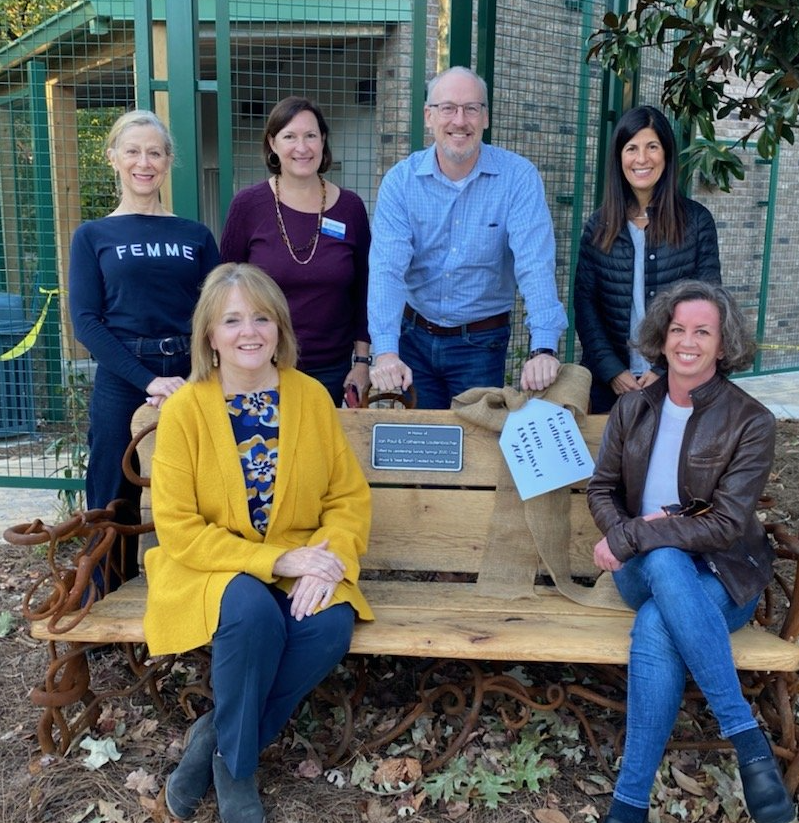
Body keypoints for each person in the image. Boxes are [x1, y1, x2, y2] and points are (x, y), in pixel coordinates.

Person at [143, 262, 373, 823]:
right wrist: (274, 559)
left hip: (301, 557)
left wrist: (326, 561)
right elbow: (178, 527)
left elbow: (346, 498)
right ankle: (239, 770)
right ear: (210, 336)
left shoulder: (311, 397)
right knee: (251, 613)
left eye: (262, 317)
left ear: (280, 329)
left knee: (328, 626)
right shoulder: (184, 410)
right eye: (233, 320)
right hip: (208, 564)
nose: (250, 331)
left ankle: (215, 742)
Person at [587, 280, 794, 823]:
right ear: (662, 336)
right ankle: (746, 737)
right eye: (678, 329)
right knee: (660, 560)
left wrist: (631, 536)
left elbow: (725, 524)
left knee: (657, 618)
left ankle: (628, 805)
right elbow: (601, 489)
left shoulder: (751, 421)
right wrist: (630, 535)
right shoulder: (632, 408)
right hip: (642, 570)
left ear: (723, 345)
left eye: (702, 331)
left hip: (723, 580)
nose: (687, 341)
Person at [69, 109, 220, 591]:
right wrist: (148, 381)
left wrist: (198, 373)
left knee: (204, 481)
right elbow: (87, 323)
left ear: (168, 161)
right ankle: (104, 598)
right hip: (124, 374)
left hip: (191, 371)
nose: (144, 162)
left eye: (154, 152)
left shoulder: (194, 235)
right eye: (132, 151)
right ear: (113, 157)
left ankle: (203, 590)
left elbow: (217, 310)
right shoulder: (92, 236)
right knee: (113, 489)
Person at [367, 66, 568, 409]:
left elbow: (534, 264)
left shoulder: (517, 178)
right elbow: (387, 270)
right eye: (448, 108)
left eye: (471, 108)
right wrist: (386, 352)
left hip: (481, 344)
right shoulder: (401, 182)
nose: (459, 120)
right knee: (421, 448)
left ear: (485, 118)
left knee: (475, 448)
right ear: (429, 116)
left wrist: (543, 348)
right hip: (413, 340)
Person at [220, 97, 371, 406]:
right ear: (273, 143)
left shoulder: (351, 208)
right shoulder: (247, 206)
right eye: (289, 136)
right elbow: (223, 290)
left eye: (310, 136)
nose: (301, 147)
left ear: (323, 140)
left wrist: (362, 363)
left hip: (332, 369)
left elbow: (364, 291)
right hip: (261, 363)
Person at [575, 105, 721, 414]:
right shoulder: (598, 226)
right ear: (619, 158)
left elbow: (708, 305)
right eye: (632, 148)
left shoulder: (696, 222)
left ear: (666, 154)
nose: (642, 159)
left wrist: (665, 369)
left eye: (652, 147)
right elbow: (585, 306)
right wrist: (612, 370)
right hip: (612, 383)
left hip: (680, 378)